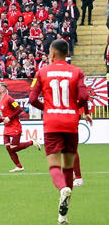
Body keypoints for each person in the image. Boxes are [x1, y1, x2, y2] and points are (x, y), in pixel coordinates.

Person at [29, 38, 91, 224]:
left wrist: (46, 107)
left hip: (52, 123)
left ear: (53, 53)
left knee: (54, 166)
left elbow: (31, 98)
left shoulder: (42, 72)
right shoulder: (77, 72)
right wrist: (78, 108)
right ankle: (62, 216)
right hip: (71, 122)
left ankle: (63, 189)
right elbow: (84, 95)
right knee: (68, 167)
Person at [0, 83, 33, 172]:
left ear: (3, 89)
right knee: (8, 148)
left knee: (13, 148)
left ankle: (31, 142)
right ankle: (19, 166)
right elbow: (4, 116)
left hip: (15, 126)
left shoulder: (9, 99)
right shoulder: (1, 100)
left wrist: (10, 118)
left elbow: (19, 109)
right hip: (7, 127)